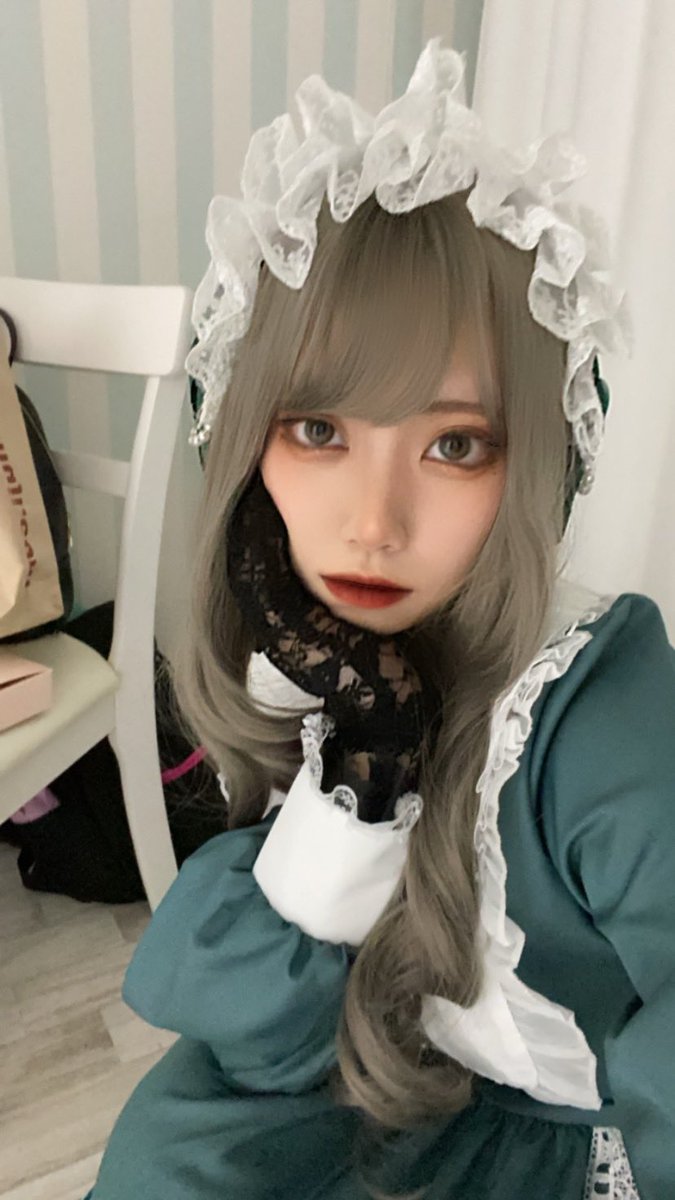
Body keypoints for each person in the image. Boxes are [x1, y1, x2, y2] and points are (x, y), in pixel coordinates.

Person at [83, 38, 675, 1200]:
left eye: (454, 445)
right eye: (319, 431)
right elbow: (282, 1032)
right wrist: (372, 751)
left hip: (561, 1144)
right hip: (403, 1080)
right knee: (169, 1156)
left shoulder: (596, 718)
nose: (372, 522)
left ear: (533, 465)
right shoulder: (339, 656)